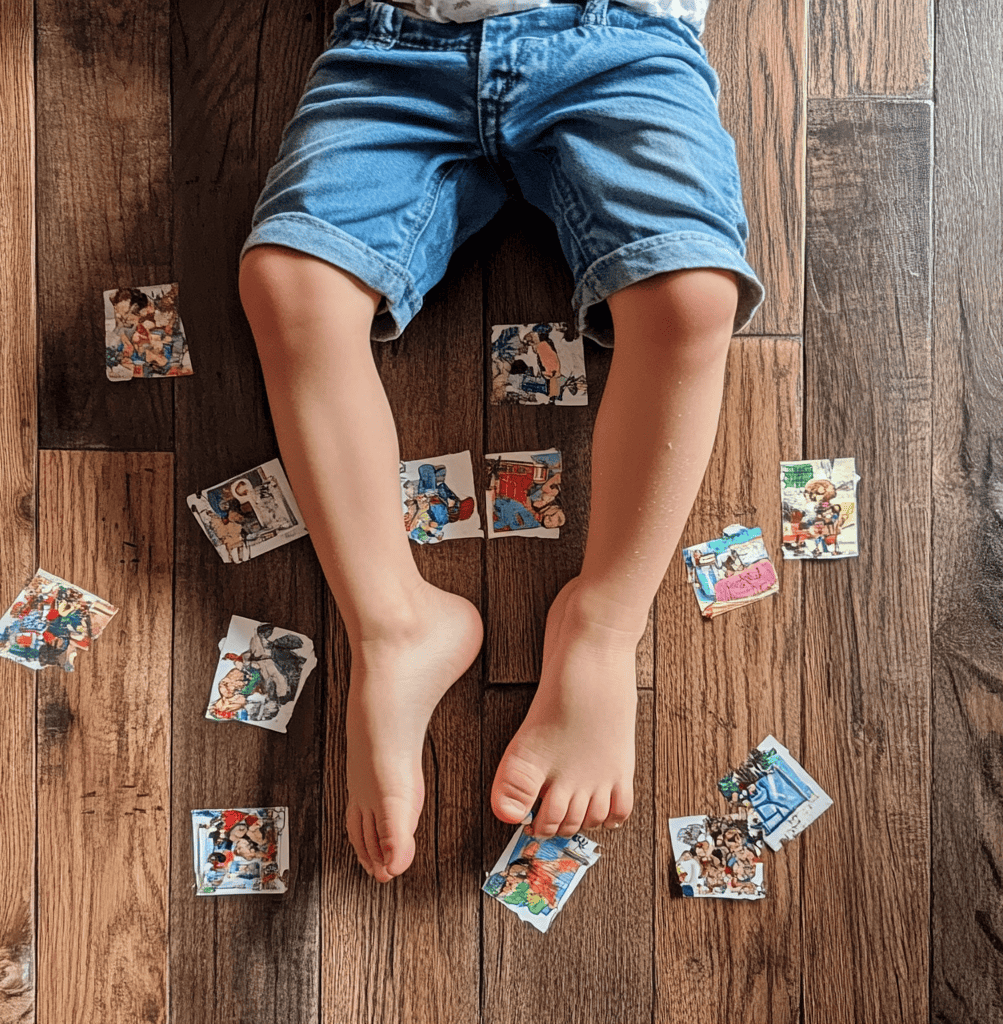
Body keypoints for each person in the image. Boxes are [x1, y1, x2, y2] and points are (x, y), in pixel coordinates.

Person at [238, 0, 764, 884]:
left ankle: (600, 631)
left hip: (623, 43)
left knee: (693, 297)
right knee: (287, 283)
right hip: (392, 49)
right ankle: (393, 627)